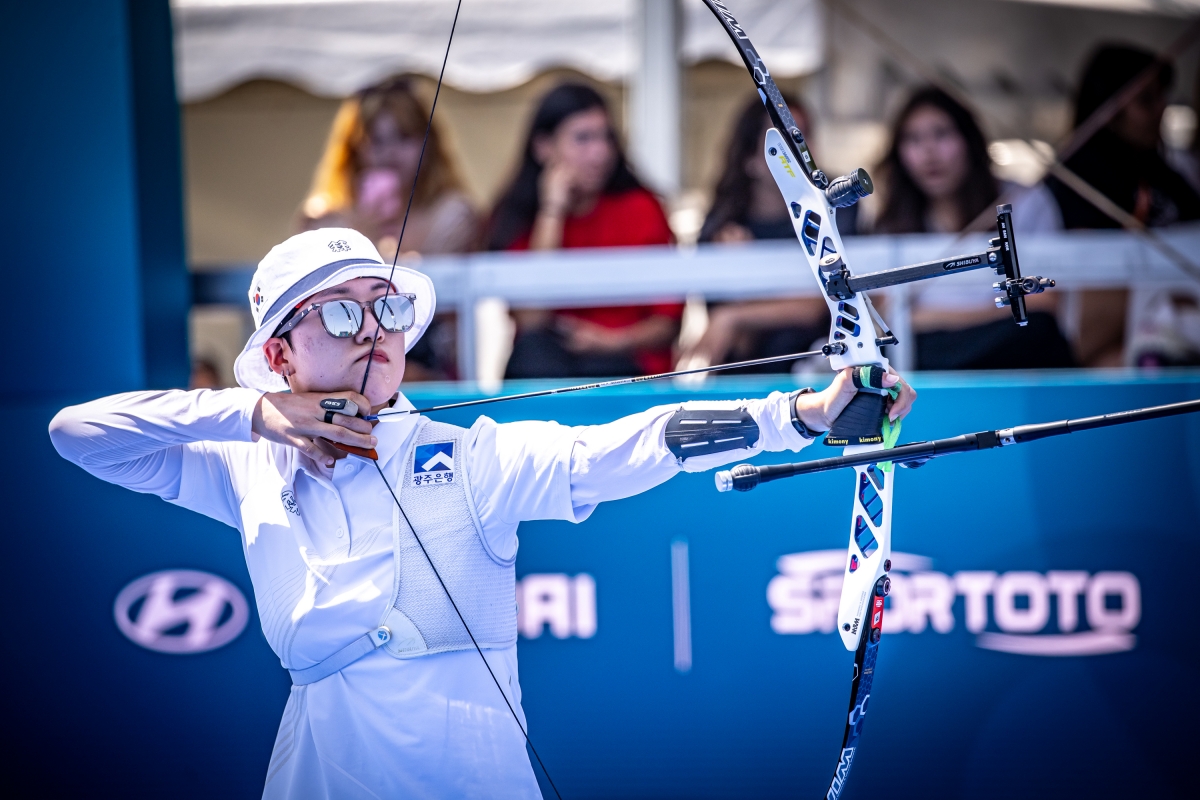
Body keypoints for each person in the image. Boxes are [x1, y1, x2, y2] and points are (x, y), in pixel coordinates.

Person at [49, 227, 916, 798]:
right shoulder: (247, 463)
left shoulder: (471, 458)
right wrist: (256, 414)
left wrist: (795, 416)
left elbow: (620, 447)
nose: (375, 331)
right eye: (343, 313)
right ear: (280, 352)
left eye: (386, 308)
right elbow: (76, 432)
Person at [487, 83, 682, 379]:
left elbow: (667, 324)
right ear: (543, 147)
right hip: (549, 365)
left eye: (606, 138)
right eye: (583, 139)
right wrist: (552, 210)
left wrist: (609, 342)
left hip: (626, 363)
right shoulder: (519, 216)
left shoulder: (641, 209)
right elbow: (532, 319)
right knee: (534, 354)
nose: (600, 153)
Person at [871, 87, 1074, 370]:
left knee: (1038, 332)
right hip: (929, 355)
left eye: (942, 133)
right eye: (913, 139)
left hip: (1012, 349)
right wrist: (994, 314)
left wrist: (929, 319)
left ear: (969, 138)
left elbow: (1046, 302)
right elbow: (885, 317)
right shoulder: (893, 222)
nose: (929, 152)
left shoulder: (1025, 201)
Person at [301, 77, 479, 380]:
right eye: (376, 140)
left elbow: (440, 314)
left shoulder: (454, 214)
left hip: (429, 365)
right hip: (342, 363)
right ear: (354, 148)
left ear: (429, 144)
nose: (390, 154)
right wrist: (363, 230)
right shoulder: (324, 220)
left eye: (403, 138)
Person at [1046, 45, 1200, 367]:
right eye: (1146, 101)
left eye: (1162, 97)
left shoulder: (1170, 173)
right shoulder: (1077, 175)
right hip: (1113, 346)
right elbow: (1095, 284)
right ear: (1109, 108)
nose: (1161, 110)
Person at [685, 94, 847, 373]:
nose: (795, 151)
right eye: (779, 141)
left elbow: (823, 304)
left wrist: (738, 307)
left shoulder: (837, 202)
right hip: (745, 374)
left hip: (820, 366)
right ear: (750, 156)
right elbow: (734, 338)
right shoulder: (723, 222)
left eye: (802, 136)